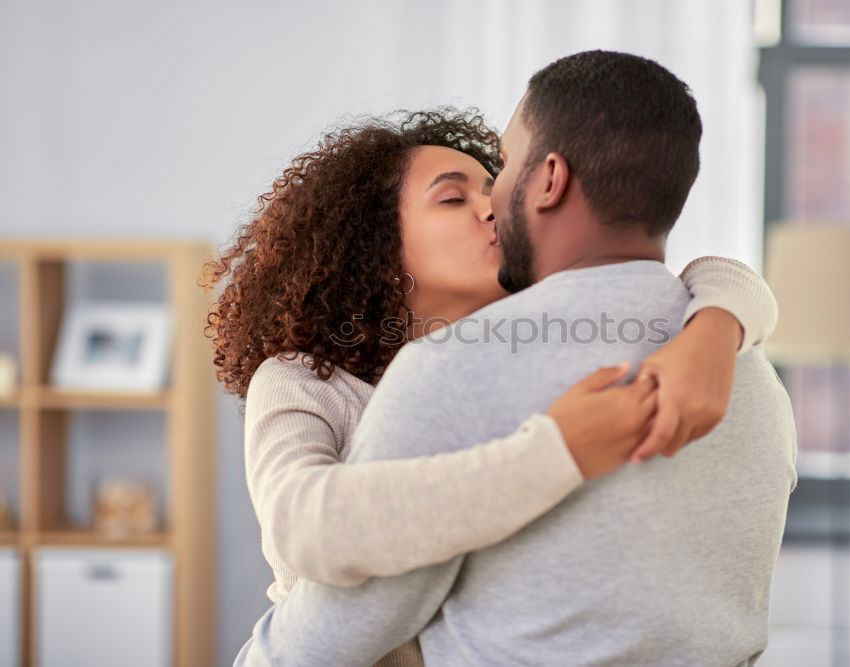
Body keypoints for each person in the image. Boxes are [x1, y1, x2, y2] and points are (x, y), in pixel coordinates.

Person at [235, 50, 797, 666]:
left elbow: (715, 276)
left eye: (495, 177)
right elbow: (302, 525)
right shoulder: (309, 382)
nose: (493, 204)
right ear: (371, 244)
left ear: (549, 181)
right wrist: (560, 449)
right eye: (453, 199)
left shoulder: (484, 368)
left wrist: (714, 332)